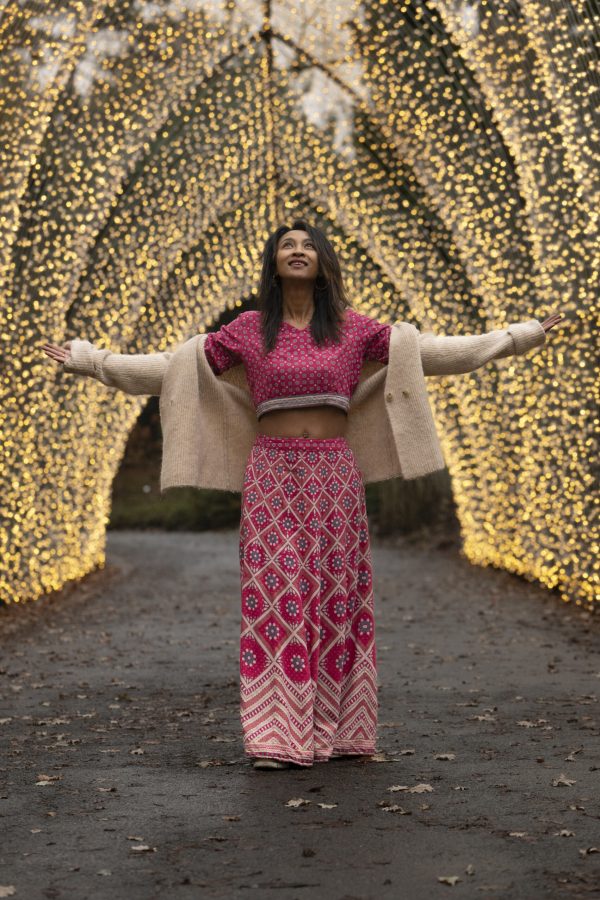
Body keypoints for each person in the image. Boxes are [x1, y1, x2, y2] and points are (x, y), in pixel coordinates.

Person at [42, 218, 563, 770]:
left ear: (323, 262)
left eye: (307, 245)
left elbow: (430, 354)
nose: (296, 251)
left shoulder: (352, 329)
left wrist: (515, 337)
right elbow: (175, 370)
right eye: (286, 245)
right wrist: (94, 361)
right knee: (275, 597)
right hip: (271, 477)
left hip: (335, 477)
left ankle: (339, 730)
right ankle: (275, 736)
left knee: (336, 599)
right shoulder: (247, 331)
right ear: (272, 263)